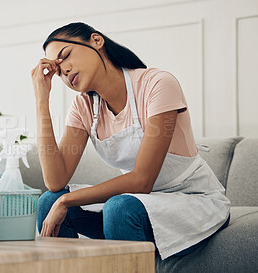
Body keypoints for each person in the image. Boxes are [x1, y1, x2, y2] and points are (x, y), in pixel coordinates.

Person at [30, 22, 230, 260]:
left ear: (96, 40)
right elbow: (55, 180)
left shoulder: (157, 84)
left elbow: (142, 180)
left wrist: (67, 200)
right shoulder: (84, 106)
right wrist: (42, 99)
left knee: (118, 207)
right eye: (57, 69)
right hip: (139, 202)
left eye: (65, 56)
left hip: (191, 200)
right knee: (48, 201)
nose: (64, 70)